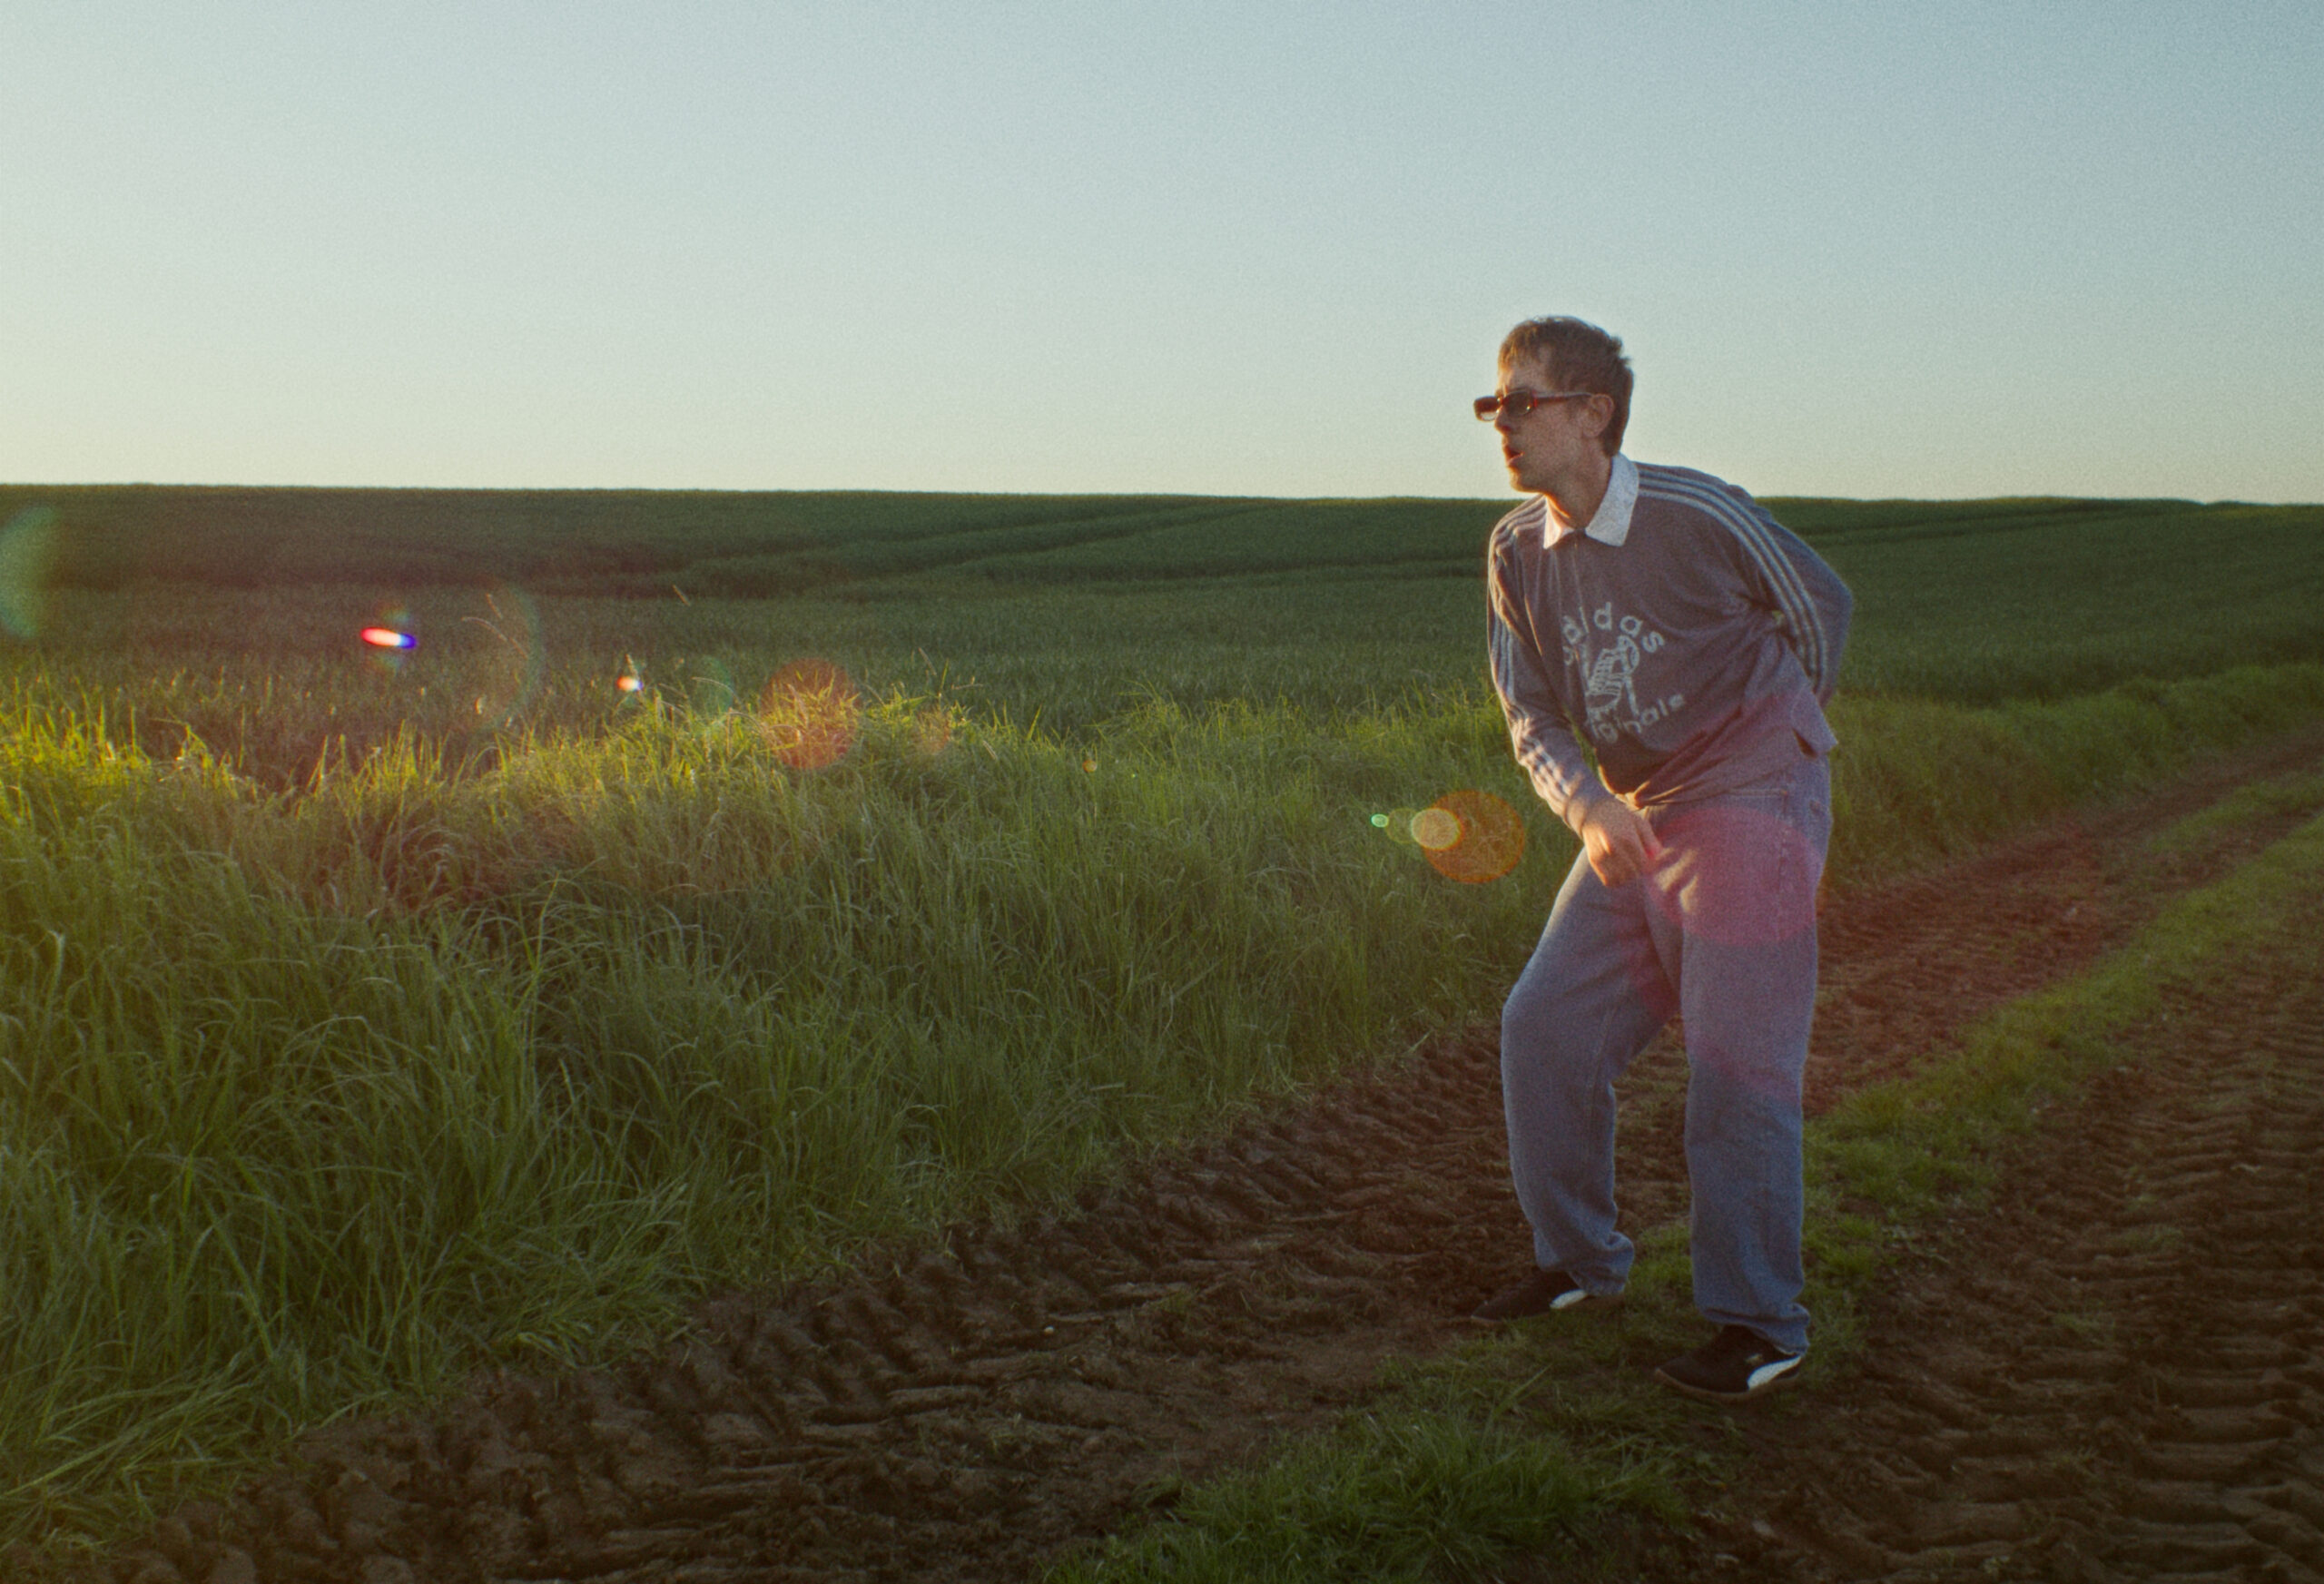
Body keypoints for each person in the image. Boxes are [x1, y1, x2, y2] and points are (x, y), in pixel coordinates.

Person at [1471, 316, 1852, 1404]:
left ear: (1594, 412)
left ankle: (1757, 1321)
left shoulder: (1695, 511)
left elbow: (1819, 606)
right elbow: (1530, 715)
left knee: (1734, 1060)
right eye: (1493, 404)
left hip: (1751, 796)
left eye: (1525, 401)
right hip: (1632, 814)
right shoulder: (1512, 553)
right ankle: (1579, 1264)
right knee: (1541, 1024)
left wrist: (1772, 742)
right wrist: (1588, 801)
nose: (1504, 422)